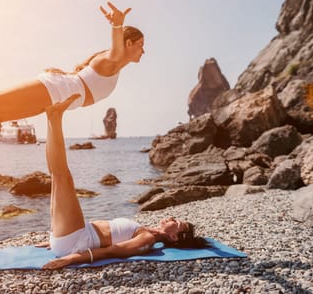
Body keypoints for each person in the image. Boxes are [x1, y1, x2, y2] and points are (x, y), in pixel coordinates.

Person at [0, 2, 145, 157]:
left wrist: (63, 74)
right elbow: (114, 53)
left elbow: (83, 79)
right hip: (54, 91)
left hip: (55, 96)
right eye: (140, 46)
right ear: (128, 43)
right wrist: (117, 25)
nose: (143, 51)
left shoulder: (112, 65)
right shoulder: (112, 60)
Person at [41, 94, 208, 270]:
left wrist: (71, 259)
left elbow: (112, 251)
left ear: (174, 237)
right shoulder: (146, 231)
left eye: (177, 222)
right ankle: (52, 116)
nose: (172, 217)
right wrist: (54, 241)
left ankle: (55, 116)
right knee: (56, 175)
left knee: (62, 176)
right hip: (71, 235)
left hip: (75, 240)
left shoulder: (148, 239)